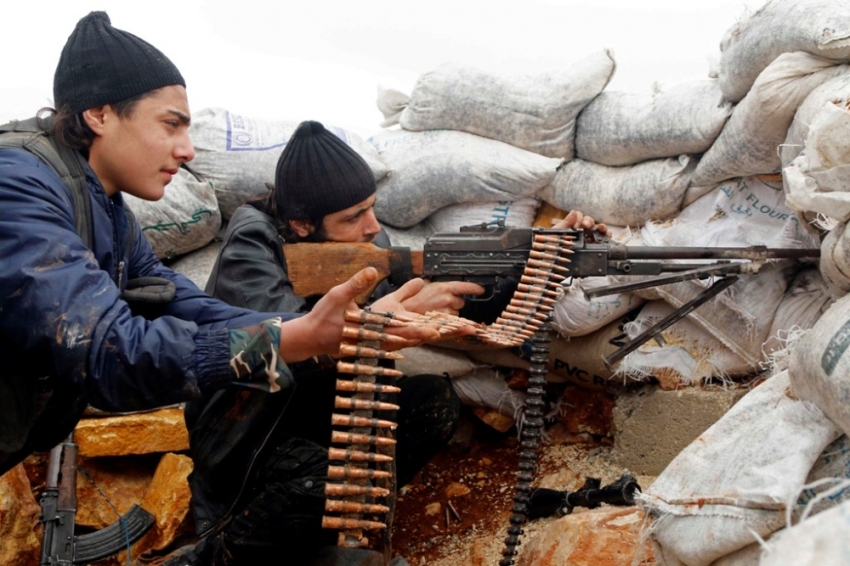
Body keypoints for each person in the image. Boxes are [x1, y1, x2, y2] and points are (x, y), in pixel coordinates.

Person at [0, 12, 451, 479]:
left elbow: (187, 307)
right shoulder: (17, 187)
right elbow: (108, 354)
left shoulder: (109, 212)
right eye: (171, 125)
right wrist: (300, 337)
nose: (187, 150)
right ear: (99, 114)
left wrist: (318, 329)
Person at [179, 120, 609, 566]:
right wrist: (399, 312)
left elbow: (463, 305)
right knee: (324, 478)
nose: (372, 226)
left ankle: (328, 529)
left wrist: (538, 260)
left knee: (433, 404)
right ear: (302, 225)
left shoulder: (366, 245)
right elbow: (289, 346)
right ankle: (226, 550)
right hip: (247, 435)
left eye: (371, 208)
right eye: (353, 217)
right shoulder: (251, 247)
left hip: (312, 410)